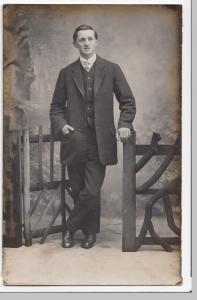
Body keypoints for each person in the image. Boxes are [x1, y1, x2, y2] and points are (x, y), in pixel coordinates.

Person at [50, 24, 136, 249]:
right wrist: (62, 126)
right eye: (82, 40)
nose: (86, 43)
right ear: (75, 44)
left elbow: (127, 101)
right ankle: (90, 233)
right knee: (79, 190)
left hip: (100, 143)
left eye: (90, 39)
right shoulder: (66, 73)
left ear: (96, 42)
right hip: (75, 141)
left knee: (90, 191)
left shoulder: (112, 69)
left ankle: (69, 230)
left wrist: (124, 123)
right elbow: (56, 107)